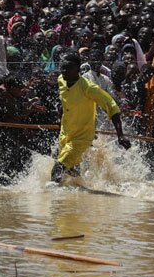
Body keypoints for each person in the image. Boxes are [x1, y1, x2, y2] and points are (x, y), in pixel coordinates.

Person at [51, 52, 131, 183]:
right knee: (70, 170)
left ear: (78, 69)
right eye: (62, 67)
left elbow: (112, 106)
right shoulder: (61, 79)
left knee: (57, 168)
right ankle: (80, 190)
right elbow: (64, 103)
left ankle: (52, 200)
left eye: (68, 68)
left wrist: (120, 135)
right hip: (65, 133)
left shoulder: (88, 87)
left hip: (82, 137)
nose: (64, 71)